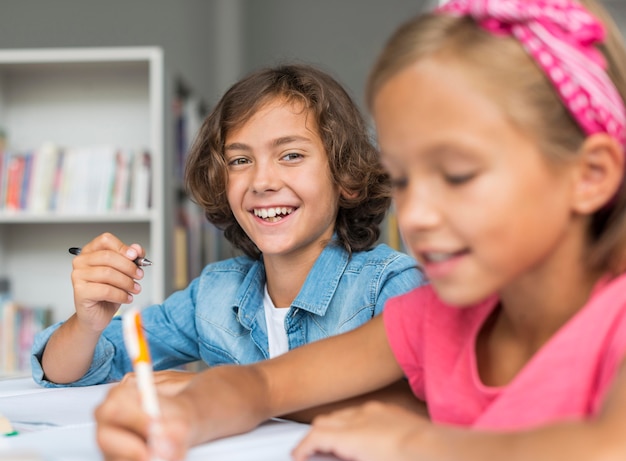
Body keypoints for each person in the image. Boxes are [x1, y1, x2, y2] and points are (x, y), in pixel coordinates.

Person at [95, 0, 626, 461]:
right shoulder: (433, 319)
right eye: (404, 179)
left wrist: (413, 444)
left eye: (458, 174)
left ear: (590, 175)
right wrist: (180, 413)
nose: (414, 214)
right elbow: (262, 384)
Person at [31, 64, 422, 400]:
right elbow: (69, 372)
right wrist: (87, 324)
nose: (262, 181)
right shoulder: (213, 296)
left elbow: (415, 409)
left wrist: (218, 391)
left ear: (346, 178)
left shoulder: (390, 286)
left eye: (291, 155)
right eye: (239, 160)